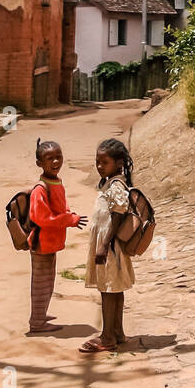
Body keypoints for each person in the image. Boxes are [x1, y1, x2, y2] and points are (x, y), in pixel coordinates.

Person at [81, 138, 136, 353]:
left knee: (107, 290)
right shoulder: (109, 182)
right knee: (115, 289)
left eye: (105, 162)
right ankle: (118, 332)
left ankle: (107, 336)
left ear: (119, 163)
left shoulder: (116, 185)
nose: (99, 166)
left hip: (110, 246)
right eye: (97, 162)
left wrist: (103, 245)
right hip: (110, 245)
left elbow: (118, 215)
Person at [27, 139, 87, 334]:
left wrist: (69, 215)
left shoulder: (55, 182)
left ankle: (40, 314)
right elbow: (43, 218)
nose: (55, 162)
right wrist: (70, 219)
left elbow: (60, 207)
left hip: (50, 243)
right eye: (49, 158)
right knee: (41, 283)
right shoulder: (40, 189)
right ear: (39, 163)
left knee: (48, 280)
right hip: (42, 243)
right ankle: (37, 322)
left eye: (58, 157)